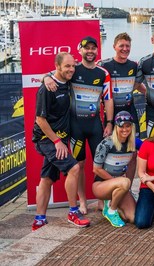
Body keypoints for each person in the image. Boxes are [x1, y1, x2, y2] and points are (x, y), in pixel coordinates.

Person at [44, 36, 113, 215]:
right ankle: (82, 201)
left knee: (102, 162)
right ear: (80, 50)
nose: (90, 51)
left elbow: (108, 99)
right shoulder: (73, 70)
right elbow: (55, 75)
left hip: (95, 126)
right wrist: (46, 77)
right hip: (76, 127)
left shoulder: (102, 73)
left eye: (93, 48)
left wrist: (110, 123)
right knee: (79, 165)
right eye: (86, 48)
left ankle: (101, 201)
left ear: (97, 51)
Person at [32, 52, 90, 231]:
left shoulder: (69, 81)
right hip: (47, 139)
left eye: (73, 66)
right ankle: (73, 212)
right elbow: (40, 120)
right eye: (67, 66)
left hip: (59, 139)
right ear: (57, 66)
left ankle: (39, 220)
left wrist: (46, 75)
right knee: (74, 168)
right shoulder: (47, 88)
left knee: (47, 178)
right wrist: (57, 141)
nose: (71, 69)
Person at [92, 111, 138, 227]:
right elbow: (96, 169)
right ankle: (111, 210)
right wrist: (114, 181)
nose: (125, 129)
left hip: (121, 184)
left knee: (133, 218)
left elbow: (132, 164)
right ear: (116, 126)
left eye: (128, 126)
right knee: (124, 181)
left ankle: (110, 205)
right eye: (121, 126)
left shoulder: (132, 144)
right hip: (101, 185)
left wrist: (128, 186)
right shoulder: (106, 143)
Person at [97, 32, 146, 136]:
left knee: (134, 144)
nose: (125, 49)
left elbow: (137, 84)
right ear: (114, 47)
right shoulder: (104, 65)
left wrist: (147, 92)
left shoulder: (134, 65)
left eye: (127, 46)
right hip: (111, 113)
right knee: (112, 145)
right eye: (121, 46)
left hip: (130, 110)